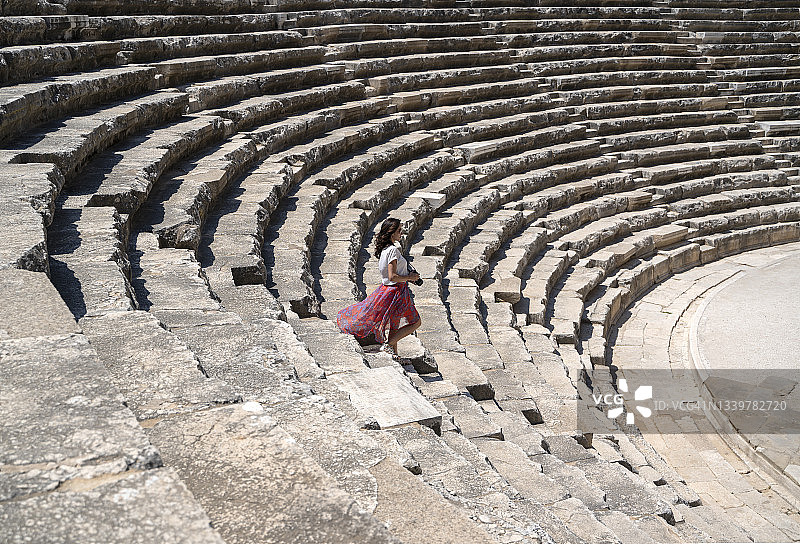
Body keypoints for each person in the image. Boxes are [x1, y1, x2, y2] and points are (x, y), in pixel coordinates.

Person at [336, 217, 421, 355]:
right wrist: (410, 278)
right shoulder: (392, 250)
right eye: (399, 230)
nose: (402, 233)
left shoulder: (385, 249)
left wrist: (407, 277)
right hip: (397, 292)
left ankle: (394, 355)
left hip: (389, 291)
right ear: (391, 233)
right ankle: (389, 345)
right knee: (415, 322)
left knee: (394, 326)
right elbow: (392, 276)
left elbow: (391, 275)